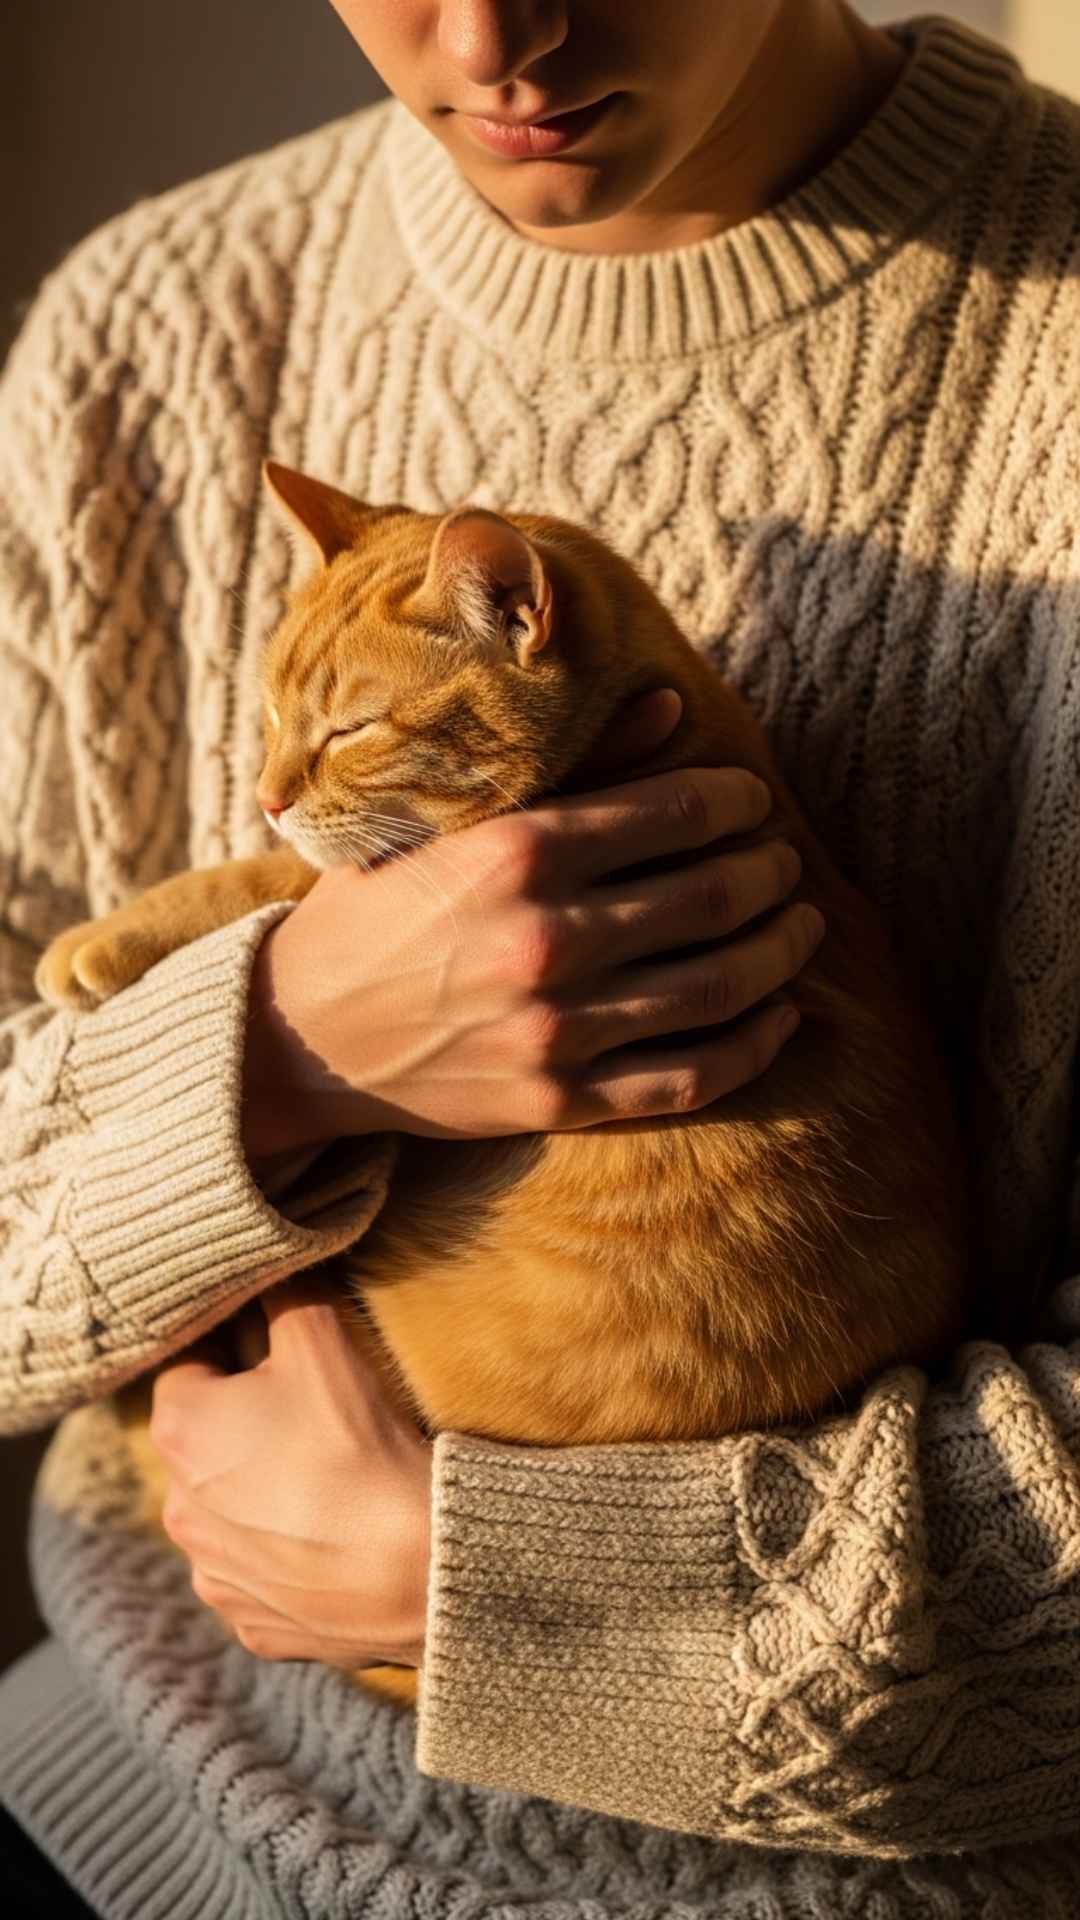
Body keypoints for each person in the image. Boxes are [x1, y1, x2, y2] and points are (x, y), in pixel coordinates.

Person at [1, 0, 1079, 1912]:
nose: (494, 34)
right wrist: (278, 1054)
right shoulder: (143, 336)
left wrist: (502, 1590)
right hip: (123, 1775)